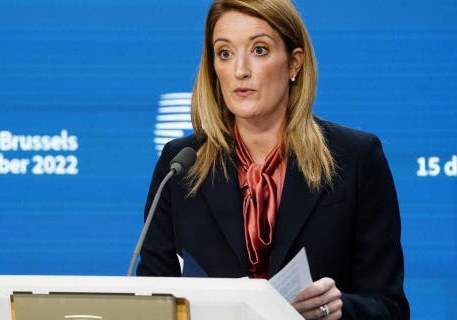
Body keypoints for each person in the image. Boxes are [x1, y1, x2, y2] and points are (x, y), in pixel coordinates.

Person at [137, 0, 409, 318]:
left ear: (294, 63)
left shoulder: (356, 159)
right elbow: (151, 298)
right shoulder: (181, 164)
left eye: (260, 50)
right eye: (225, 53)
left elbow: (390, 308)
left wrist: (338, 309)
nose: (240, 70)